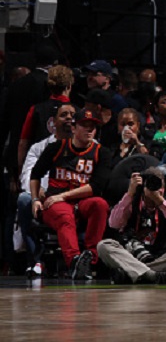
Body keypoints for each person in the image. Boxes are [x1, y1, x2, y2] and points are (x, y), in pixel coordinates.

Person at [29, 109, 113, 280]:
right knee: (64, 216)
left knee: (100, 204)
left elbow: (96, 186)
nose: (89, 130)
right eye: (84, 126)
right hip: (56, 202)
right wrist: (35, 199)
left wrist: (64, 196)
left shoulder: (101, 152)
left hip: (81, 201)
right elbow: (35, 174)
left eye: (92, 127)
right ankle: (74, 261)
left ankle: (90, 259)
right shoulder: (56, 148)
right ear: (73, 128)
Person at [97, 167, 166, 284]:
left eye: (158, 187)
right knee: (103, 245)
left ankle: (135, 273)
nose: (155, 190)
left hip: (162, 256)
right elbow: (114, 223)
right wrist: (130, 193)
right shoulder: (132, 202)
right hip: (132, 255)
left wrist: (159, 201)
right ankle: (154, 276)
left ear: (163, 189)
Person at [17, 103, 76, 278]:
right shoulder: (38, 148)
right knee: (24, 199)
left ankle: (80, 261)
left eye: (72, 115)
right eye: (63, 115)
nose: (68, 118)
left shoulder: (89, 145)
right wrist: (38, 193)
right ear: (53, 122)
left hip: (72, 197)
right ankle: (36, 260)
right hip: (44, 199)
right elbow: (27, 177)